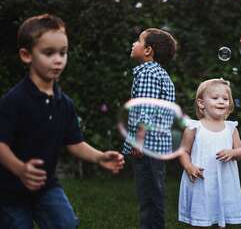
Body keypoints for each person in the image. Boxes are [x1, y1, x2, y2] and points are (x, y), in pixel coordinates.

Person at [0, 13, 125, 229]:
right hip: (10, 190)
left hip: (46, 186)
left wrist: (99, 157)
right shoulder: (15, 100)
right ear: (26, 55)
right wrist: (21, 169)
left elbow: (74, 143)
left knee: (65, 223)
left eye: (63, 53)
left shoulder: (64, 103)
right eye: (49, 53)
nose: (58, 59)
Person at [121, 28, 177, 229]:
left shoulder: (148, 73)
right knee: (154, 194)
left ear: (148, 50)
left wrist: (139, 139)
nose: (133, 44)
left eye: (138, 41)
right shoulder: (159, 73)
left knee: (149, 198)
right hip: (156, 146)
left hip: (147, 145)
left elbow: (146, 108)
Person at [178, 78, 241, 228]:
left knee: (222, 216)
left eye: (225, 98)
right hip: (201, 181)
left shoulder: (231, 128)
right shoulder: (194, 127)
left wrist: (232, 152)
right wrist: (189, 166)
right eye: (215, 98)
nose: (221, 101)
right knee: (201, 217)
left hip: (224, 181)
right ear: (201, 103)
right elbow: (183, 151)